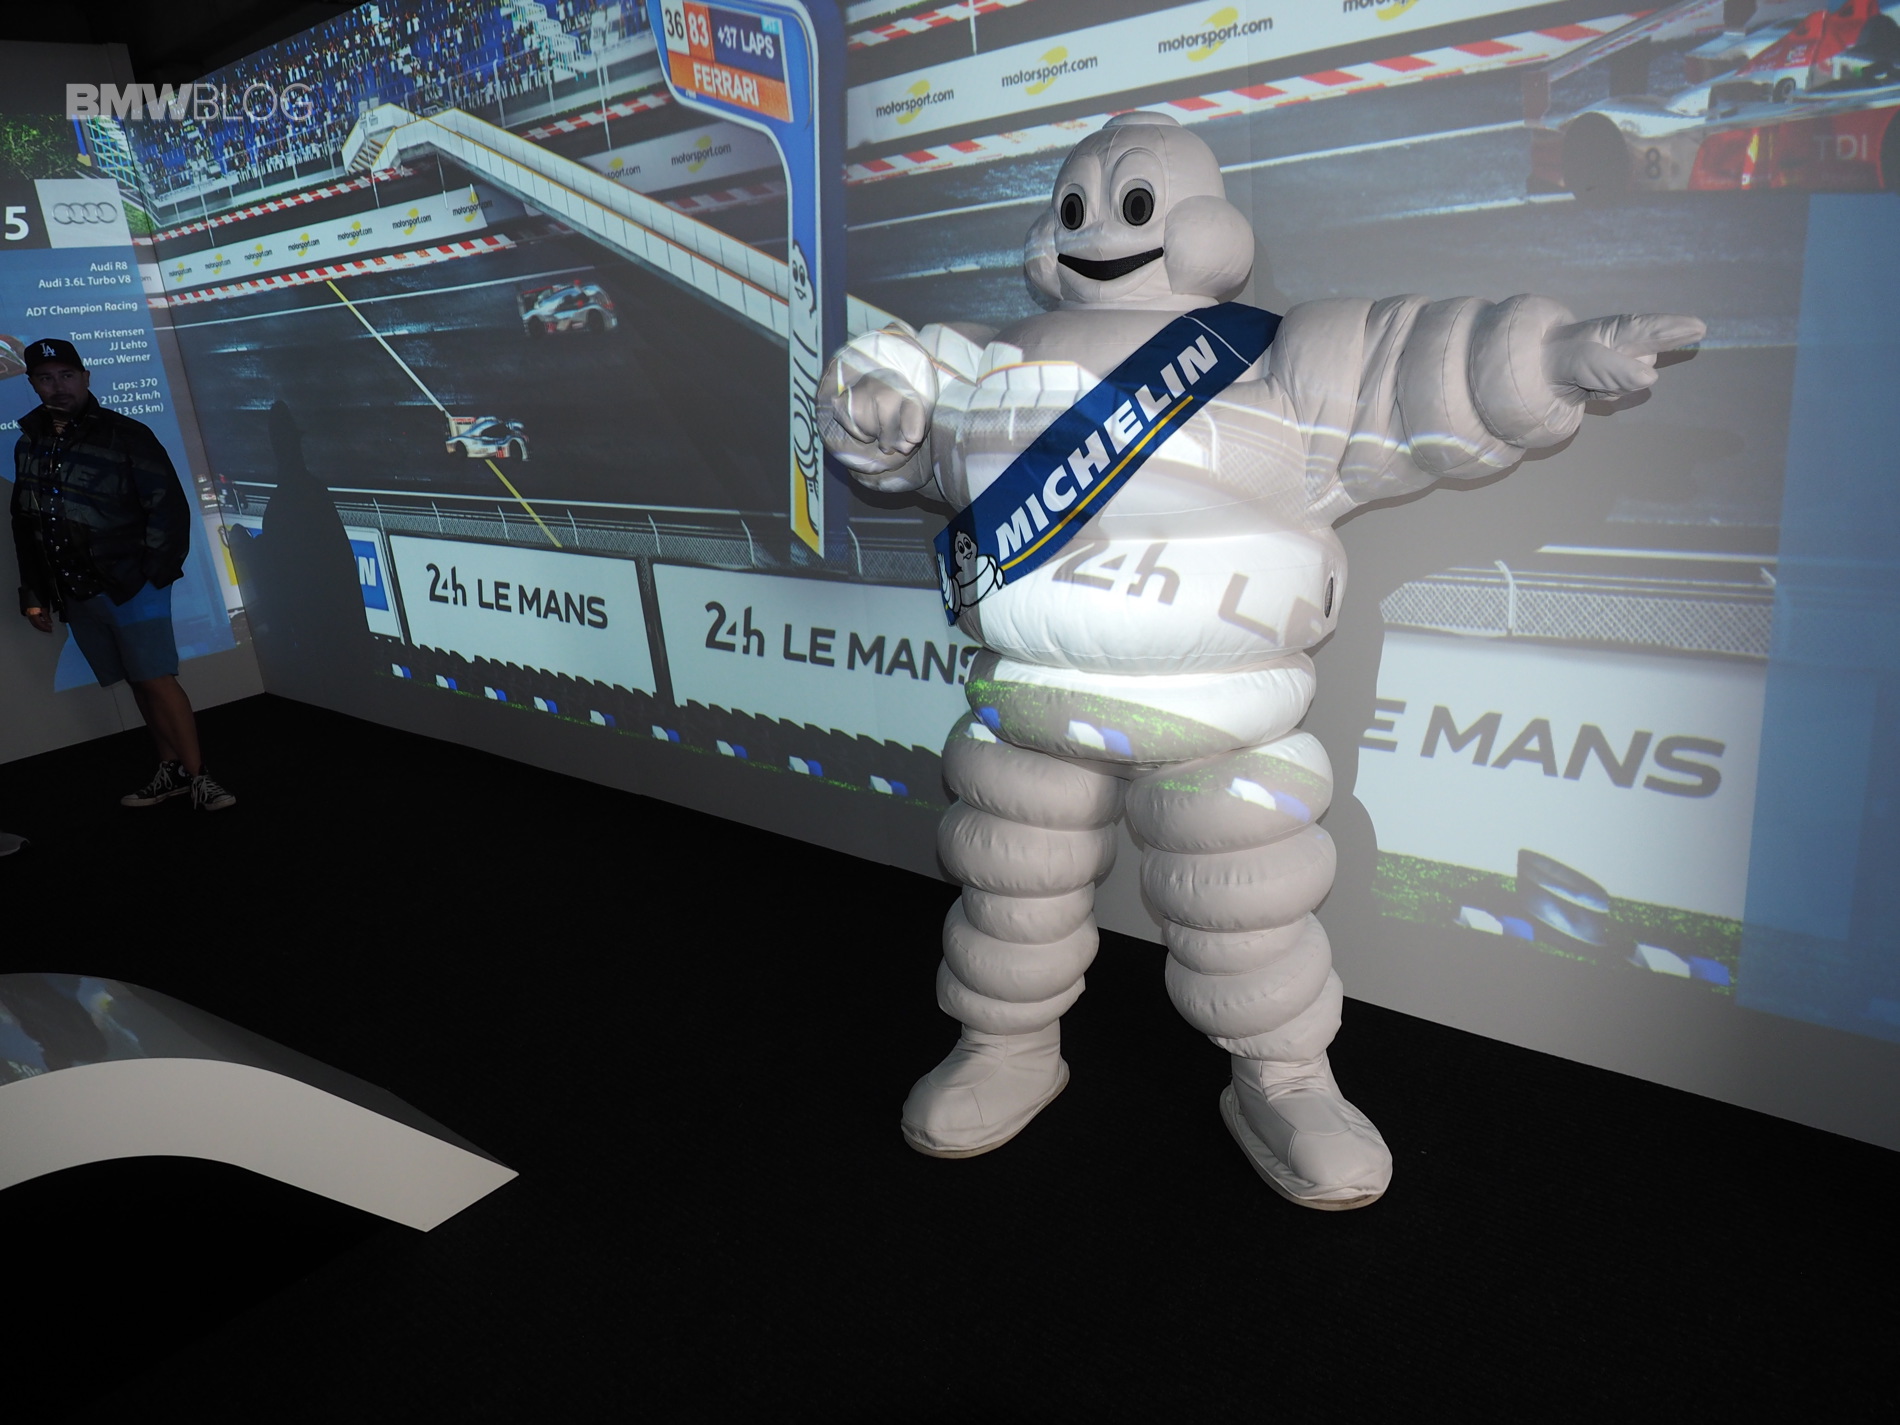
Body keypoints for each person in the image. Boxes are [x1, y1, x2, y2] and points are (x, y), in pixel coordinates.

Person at [820, 113, 1701, 1208]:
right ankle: (1005, 1046)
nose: (1101, 231)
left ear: (1205, 221)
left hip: (1224, 715)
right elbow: (904, 393)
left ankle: (1284, 1080)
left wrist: (1550, 357)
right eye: (1078, 207)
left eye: (1132, 205)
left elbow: (1416, 366)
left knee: (1251, 912)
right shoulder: (993, 359)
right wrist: (874, 399)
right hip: (1032, 700)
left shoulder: (1279, 360)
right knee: (1010, 892)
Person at [10, 338, 235, 812]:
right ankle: (171, 770)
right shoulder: (29, 442)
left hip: (133, 585)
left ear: (86, 377)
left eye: (66, 375)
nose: (58, 386)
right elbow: (25, 522)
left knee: (155, 677)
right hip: (75, 587)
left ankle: (201, 777)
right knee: (137, 680)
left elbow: (169, 507)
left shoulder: (126, 434)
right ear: (32, 383)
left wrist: (150, 574)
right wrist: (34, 592)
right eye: (46, 378)